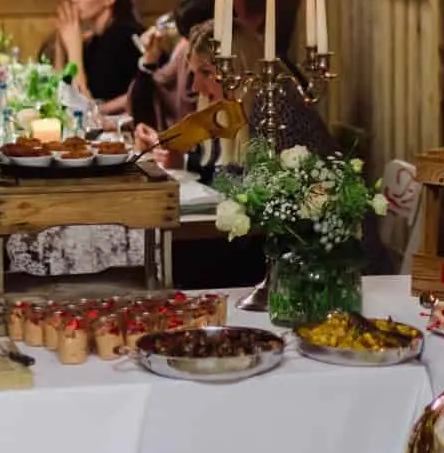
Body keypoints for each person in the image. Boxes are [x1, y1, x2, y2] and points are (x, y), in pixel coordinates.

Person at [131, 22, 390, 273]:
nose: (197, 86)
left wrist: (189, 158)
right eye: (194, 73)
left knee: (186, 260)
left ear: (239, 69)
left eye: (207, 73)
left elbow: (252, 190)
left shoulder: (274, 110)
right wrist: (179, 157)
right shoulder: (239, 106)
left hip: (329, 251)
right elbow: (228, 172)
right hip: (281, 237)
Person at [58, 0, 142, 115]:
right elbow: (61, 93)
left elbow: (82, 106)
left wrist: (73, 48)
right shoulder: (98, 38)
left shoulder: (122, 40)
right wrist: (61, 41)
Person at [128, 0, 214, 132]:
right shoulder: (184, 50)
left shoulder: (195, 53)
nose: (196, 87)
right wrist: (149, 60)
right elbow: (144, 98)